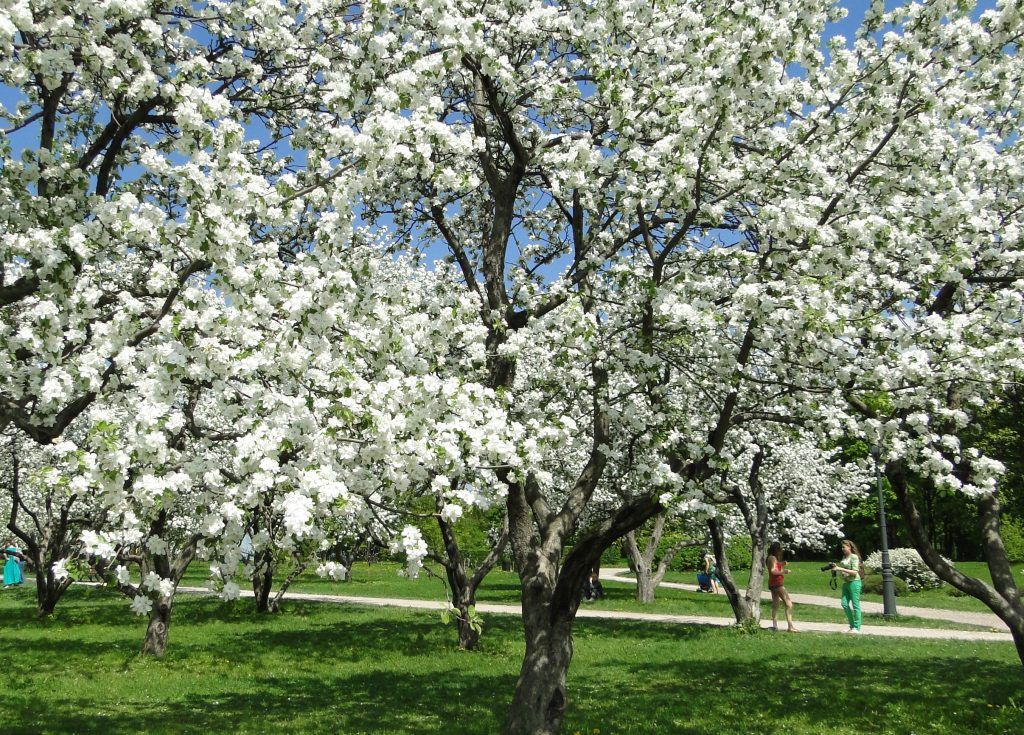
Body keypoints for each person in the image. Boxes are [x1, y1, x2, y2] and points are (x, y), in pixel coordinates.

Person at [832, 539, 864, 633]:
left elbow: (854, 572)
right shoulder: (844, 558)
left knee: (855, 605)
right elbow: (843, 570)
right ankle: (852, 625)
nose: (842, 549)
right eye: (842, 547)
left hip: (854, 582)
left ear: (849, 547)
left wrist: (840, 568)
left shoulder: (854, 557)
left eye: (844, 547)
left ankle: (857, 627)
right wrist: (835, 569)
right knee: (844, 603)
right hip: (846, 583)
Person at [766, 541, 797, 632]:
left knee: (776, 605)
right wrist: (784, 571)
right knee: (789, 604)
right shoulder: (773, 558)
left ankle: (775, 626)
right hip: (777, 584)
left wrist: (782, 564)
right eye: (780, 550)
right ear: (776, 550)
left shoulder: (771, 558)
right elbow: (773, 571)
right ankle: (790, 626)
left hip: (772, 584)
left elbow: (775, 566)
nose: (781, 552)